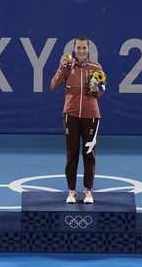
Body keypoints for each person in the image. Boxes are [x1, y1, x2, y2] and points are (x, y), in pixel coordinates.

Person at [50, 36, 104, 204]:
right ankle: (72, 191)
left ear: (88, 50)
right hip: (71, 115)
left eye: (84, 48)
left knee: (89, 154)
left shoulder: (96, 67)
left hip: (91, 116)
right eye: (78, 48)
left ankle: (88, 190)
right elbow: (53, 85)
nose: (81, 51)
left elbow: (100, 92)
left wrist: (96, 89)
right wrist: (60, 68)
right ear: (74, 49)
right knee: (72, 153)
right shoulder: (67, 67)